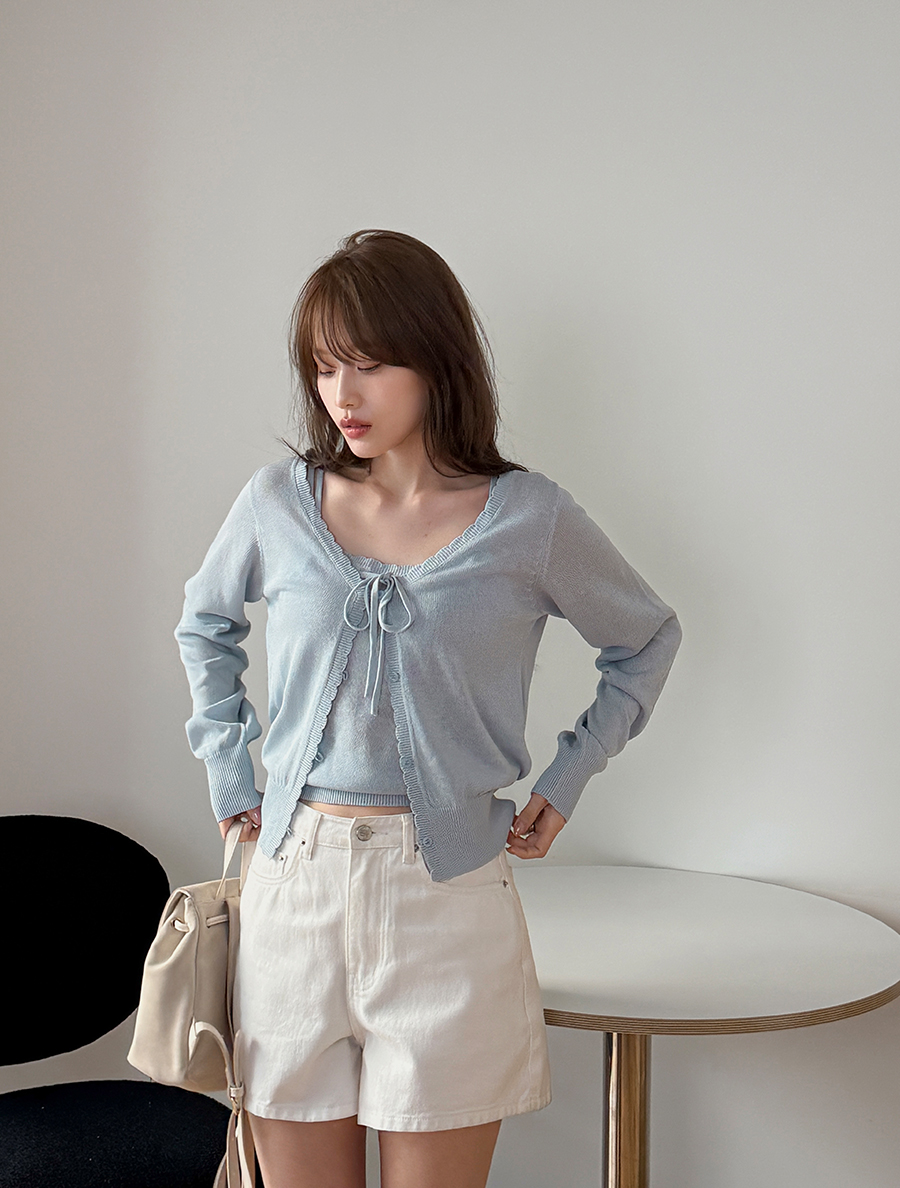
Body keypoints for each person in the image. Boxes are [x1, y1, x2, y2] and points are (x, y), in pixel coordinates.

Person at [174, 229, 682, 1188]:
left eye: (369, 364)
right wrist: (230, 767)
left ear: (435, 359)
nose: (343, 394)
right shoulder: (278, 502)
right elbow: (205, 625)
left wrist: (569, 776)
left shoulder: (531, 519)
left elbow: (645, 639)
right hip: (294, 890)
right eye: (325, 366)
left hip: (447, 900)